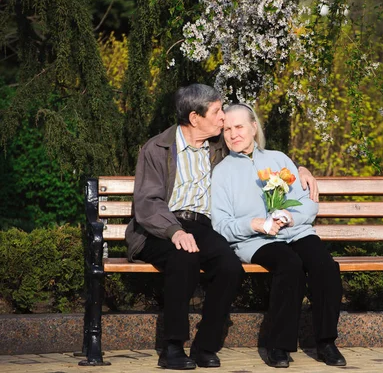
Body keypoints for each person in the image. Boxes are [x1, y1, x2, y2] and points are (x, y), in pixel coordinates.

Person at [125, 84, 318, 370]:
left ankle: (205, 346)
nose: (223, 118)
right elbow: (148, 203)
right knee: (184, 259)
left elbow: (258, 153)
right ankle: (173, 347)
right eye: (217, 111)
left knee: (229, 267)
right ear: (194, 118)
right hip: (160, 227)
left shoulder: (217, 144)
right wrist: (175, 232)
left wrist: (300, 168)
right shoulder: (158, 148)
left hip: (201, 225)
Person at [211, 103, 346, 368]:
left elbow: (308, 203)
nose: (233, 134)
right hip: (255, 240)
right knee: (290, 265)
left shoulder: (279, 159)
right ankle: (279, 346)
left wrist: (290, 216)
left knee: (325, 266)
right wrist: (256, 224)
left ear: (253, 127)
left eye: (239, 127)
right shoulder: (223, 172)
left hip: (295, 232)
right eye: (227, 129)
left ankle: (326, 342)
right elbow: (221, 225)